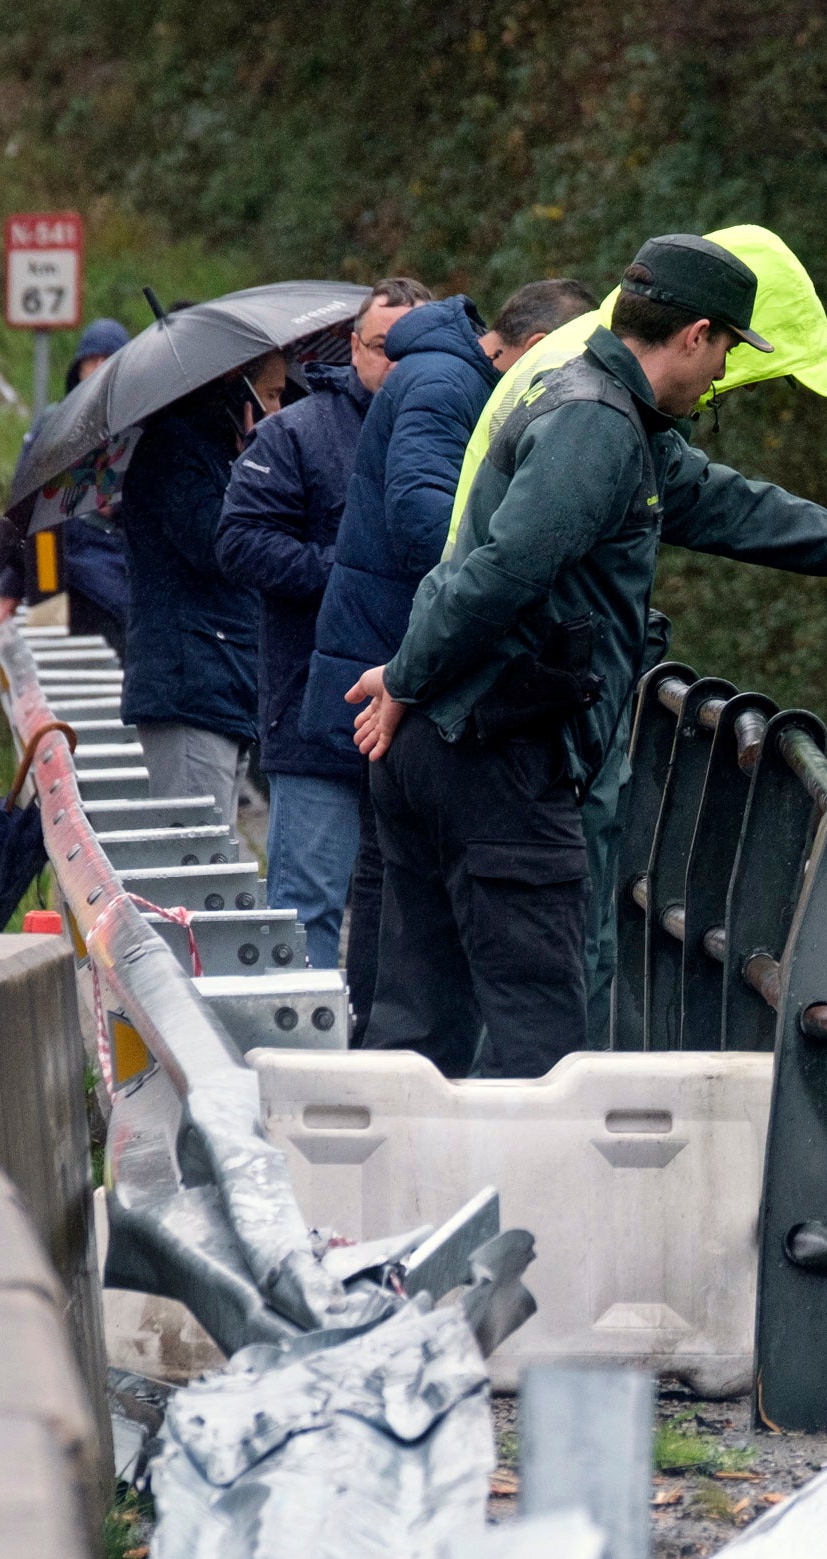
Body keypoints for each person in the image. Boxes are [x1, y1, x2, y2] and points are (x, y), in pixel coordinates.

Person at [344, 234, 827, 1079]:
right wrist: (406, 676)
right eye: (724, 350)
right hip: (497, 759)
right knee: (541, 1044)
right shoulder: (596, 429)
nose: (722, 373)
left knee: (420, 1027)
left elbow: (730, 507)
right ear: (695, 335)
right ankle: (538, 1215)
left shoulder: (611, 416)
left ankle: (382, 1207)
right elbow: (503, 571)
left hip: (448, 741)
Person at [307, 277, 593, 1031]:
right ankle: (379, 1040)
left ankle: (385, 1045)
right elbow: (419, 509)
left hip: (402, 649)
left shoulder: (450, 376)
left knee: (395, 883)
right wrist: (505, 574)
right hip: (398, 654)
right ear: (537, 350)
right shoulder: (443, 382)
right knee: (389, 885)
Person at [215, 279, 426, 967]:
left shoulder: (462, 435)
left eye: (413, 348)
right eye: (380, 347)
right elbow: (240, 542)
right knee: (306, 908)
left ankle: (384, 1059)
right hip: (314, 712)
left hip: (421, 717)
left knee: (407, 914)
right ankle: (303, 1066)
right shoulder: (294, 433)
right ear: (353, 349)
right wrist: (347, 569)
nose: (394, 363)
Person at [122, 350, 285, 833]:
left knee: (213, 853)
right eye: (272, 394)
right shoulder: (175, 451)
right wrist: (259, 459)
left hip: (220, 681)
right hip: (189, 684)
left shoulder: (214, 451)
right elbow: (223, 546)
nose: (279, 410)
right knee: (196, 863)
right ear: (240, 392)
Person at [0, 317, 133, 649]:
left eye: (109, 360)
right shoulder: (53, 424)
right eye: (92, 361)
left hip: (110, 572)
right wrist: (12, 585)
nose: (99, 368)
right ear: (78, 368)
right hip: (50, 569)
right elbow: (23, 506)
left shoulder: (135, 428)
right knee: (48, 655)